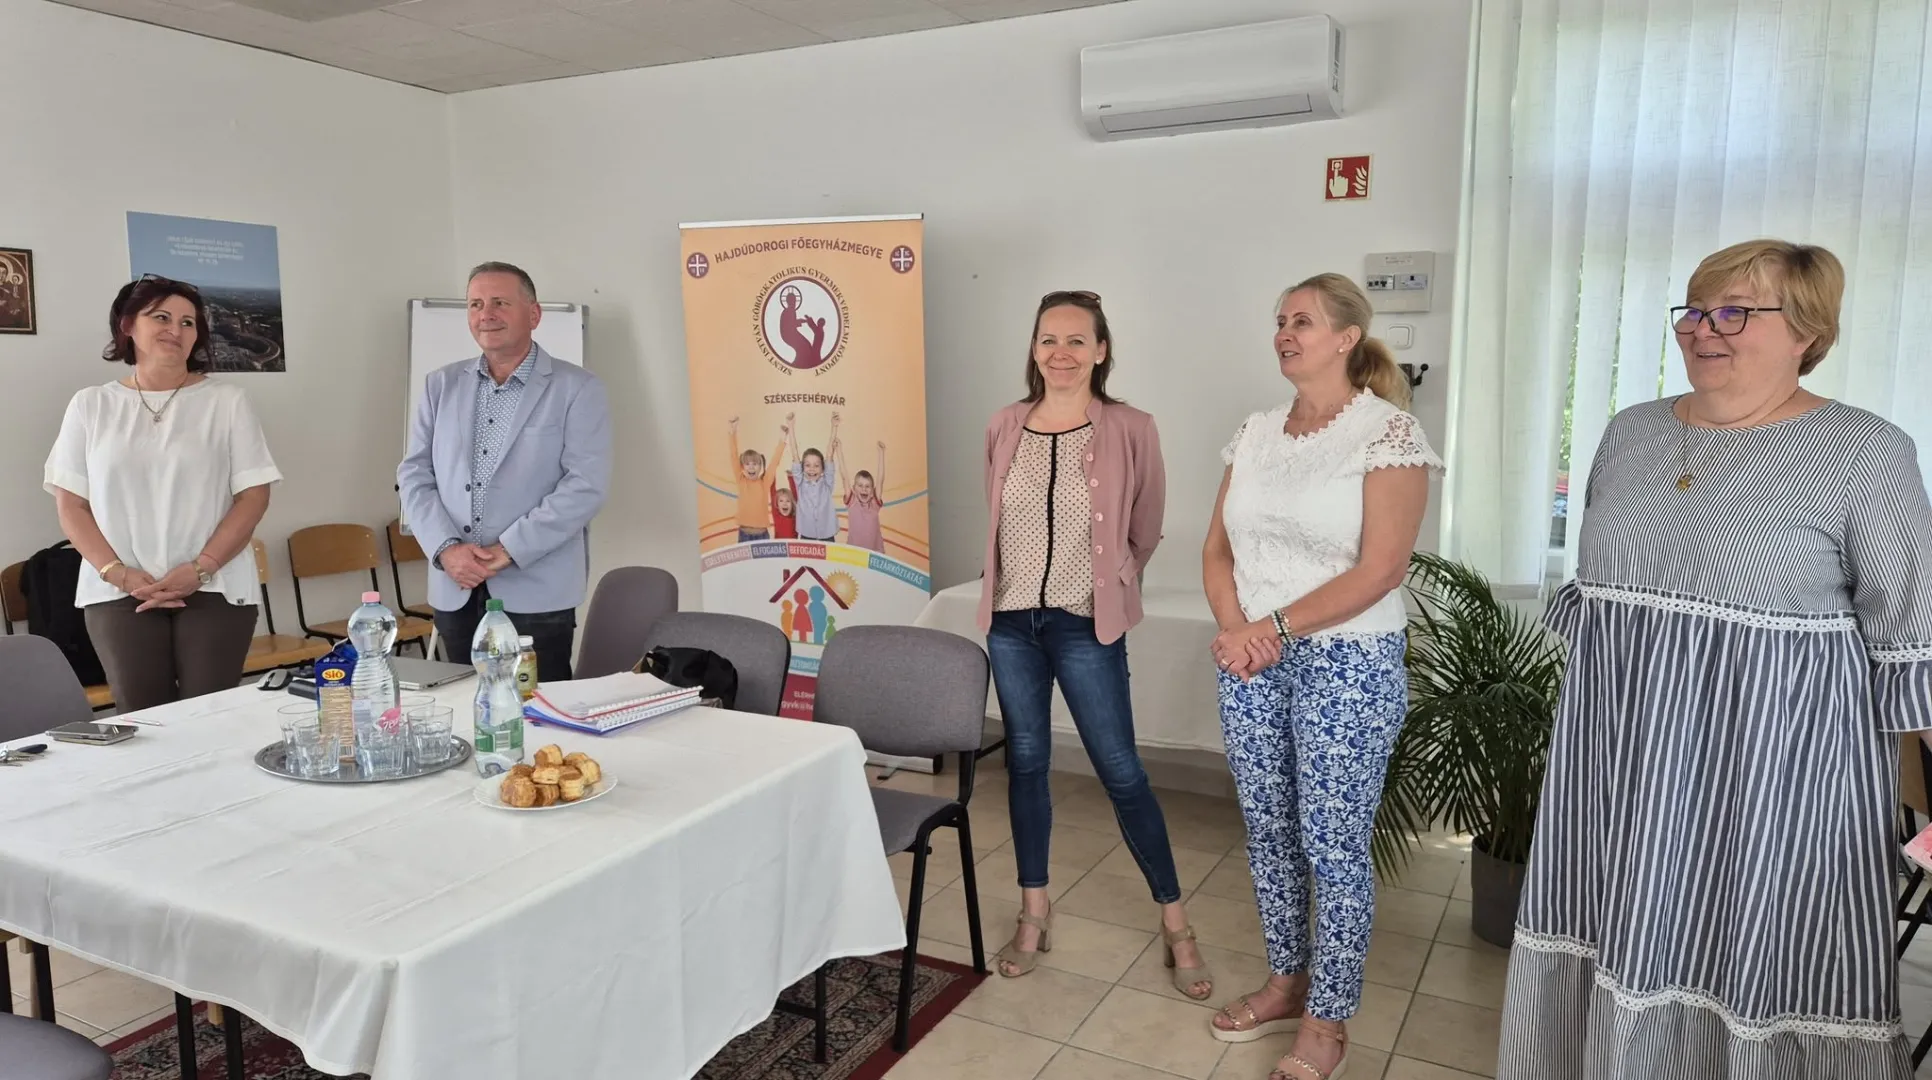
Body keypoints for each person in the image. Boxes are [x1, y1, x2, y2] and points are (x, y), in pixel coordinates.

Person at [1498, 240, 1932, 1079]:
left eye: (1735, 311)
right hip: (1618, 778)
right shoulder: (1632, 432)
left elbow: (1914, 641)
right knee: (1615, 947)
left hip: (1776, 792)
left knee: (1762, 972)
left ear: (1807, 331)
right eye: (1695, 310)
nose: (1704, 329)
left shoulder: (1866, 452)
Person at [1202, 273, 1441, 1080]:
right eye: (1279, 320)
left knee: (1333, 846)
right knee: (1268, 832)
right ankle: (1286, 981)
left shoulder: (1388, 432)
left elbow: (1381, 569)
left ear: (1346, 337)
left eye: (1302, 320)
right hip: (1252, 659)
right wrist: (1236, 631)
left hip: (1348, 661)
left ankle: (1328, 1019)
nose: (1284, 332)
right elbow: (1216, 550)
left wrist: (1267, 630)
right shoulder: (1255, 431)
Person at [974, 289, 1214, 999]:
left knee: (1120, 771)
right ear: (1034, 349)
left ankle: (1176, 921)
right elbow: (997, 515)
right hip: (1012, 622)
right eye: (1049, 339)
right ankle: (1034, 910)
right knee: (1026, 764)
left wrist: (1118, 578)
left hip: (1087, 623)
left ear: (1101, 351)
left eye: (1077, 340)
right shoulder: (1004, 424)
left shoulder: (1131, 427)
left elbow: (1147, 522)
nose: (1061, 353)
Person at [43, 275, 280, 712]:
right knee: (143, 722)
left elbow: (253, 497)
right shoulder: (91, 405)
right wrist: (118, 573)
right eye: (162, 317)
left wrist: (201, 568)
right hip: (119, 592)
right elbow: (71, 504)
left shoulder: (227, 401)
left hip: (215, 587)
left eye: (188, 322)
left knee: (209, 719)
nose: (177, 329)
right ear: (128, 325)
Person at [398, 262, 611, 682]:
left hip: (536, 591)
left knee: (536, 711)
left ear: (534, 314)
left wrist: (508, 550)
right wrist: (446, 549)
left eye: (500, 303)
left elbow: (585, 486)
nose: (486, 314)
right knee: (462, 707)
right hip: (456, 587)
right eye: (475, 304)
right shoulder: (439, 385)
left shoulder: (578, 388)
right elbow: (414, 475)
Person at [785, 411, 839, 542]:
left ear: (823, 469)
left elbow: (829, 454)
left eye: (816, 465)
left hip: (827, 534)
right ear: (802, 467)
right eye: (808, 465)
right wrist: (791, 427)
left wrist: (834, 427)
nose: (812, 469)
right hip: (806, 533)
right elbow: (795, 454)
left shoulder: (827, 483)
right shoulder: (800, 483)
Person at [729, 417, 784, 542]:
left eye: (755, 464)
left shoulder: (765, 482)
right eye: (747, 464)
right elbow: (733, 456)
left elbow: (774, 462)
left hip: (761, 535)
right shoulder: (741, 480)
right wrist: (733, 432)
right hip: (744, 534)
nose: (751, 467)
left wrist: (782, 440)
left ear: (761, 467)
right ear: (742, 467)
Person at [836, 436, 887, 552]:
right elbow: (844, 477)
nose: (864, 489)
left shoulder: (874, 504)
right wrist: (839, 450)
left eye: (867, 486)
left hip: (875, 553)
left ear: (872, 491)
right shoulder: (852, 502)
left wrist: (881, 453)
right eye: (860, 485)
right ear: (854, 489)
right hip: (854, 553)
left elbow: (880, 480)